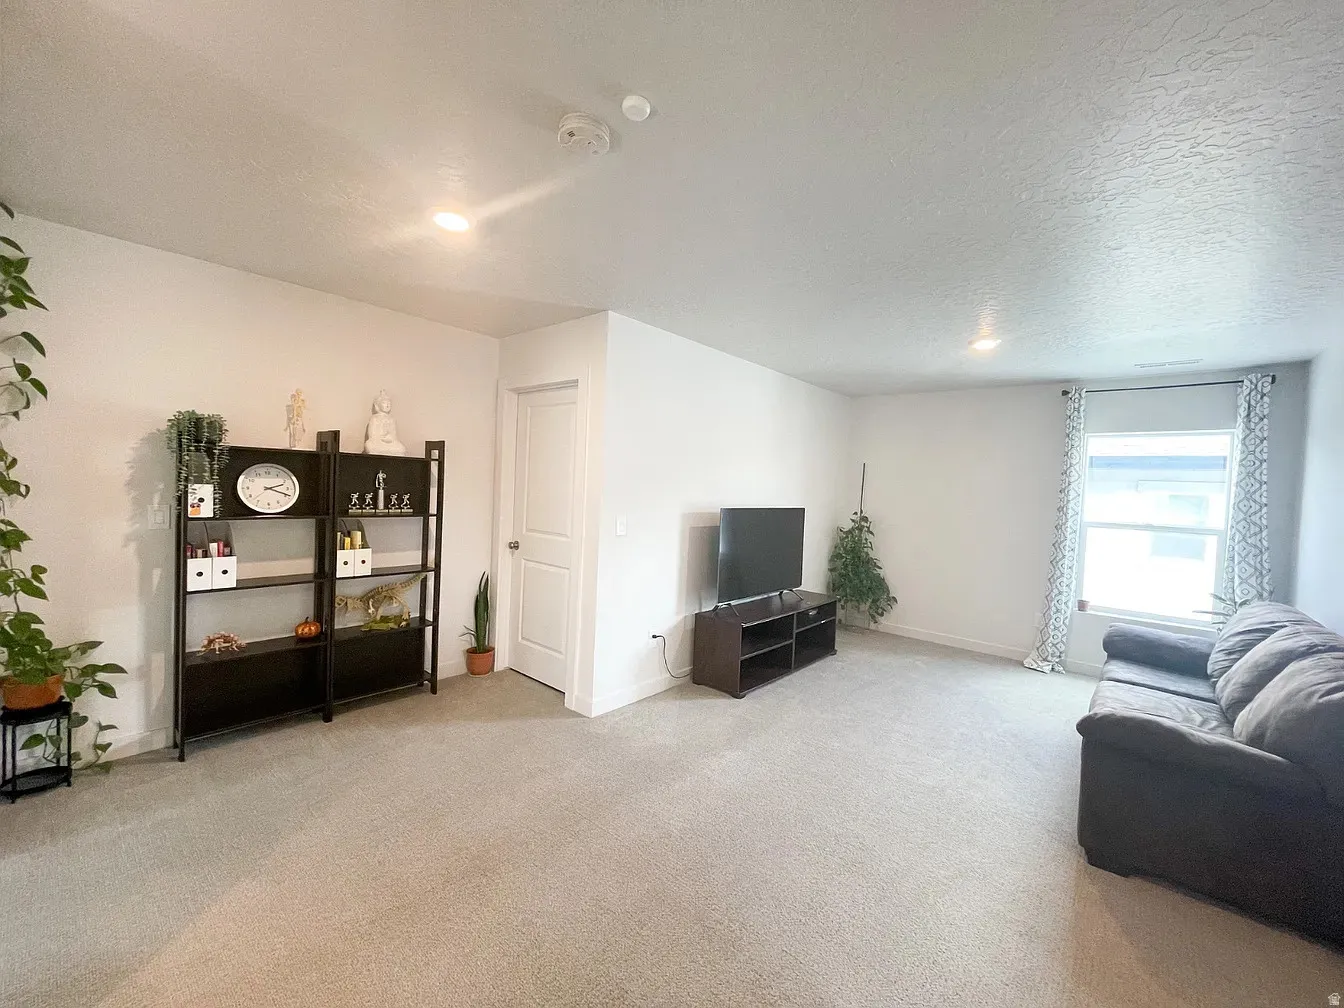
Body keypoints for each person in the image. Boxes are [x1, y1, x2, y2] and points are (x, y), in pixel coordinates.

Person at [364, 389, 406, 455]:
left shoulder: (391, 419)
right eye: (384, 403)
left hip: (389, 443)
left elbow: (393, 435)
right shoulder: (374, 418)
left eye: (389, 403)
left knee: (401, 448)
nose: (387, 405)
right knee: (369, 445)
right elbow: (371, 435)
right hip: (377, 442)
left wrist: (390, 438)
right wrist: (379, 438)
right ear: (377, 406)